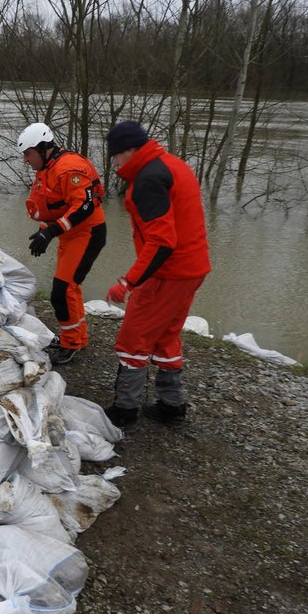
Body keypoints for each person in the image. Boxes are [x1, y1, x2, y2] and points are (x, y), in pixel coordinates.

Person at [101, 120, 211, 427]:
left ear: (129, 150)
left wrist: (127, 282)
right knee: (166, 335)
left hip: (169, 273)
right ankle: (172, 406)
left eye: (116, 155)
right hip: (194, 268)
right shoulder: (173, 165)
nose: (115, 162)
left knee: (134, 337)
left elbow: (162, 241)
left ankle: (125, 410)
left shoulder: (149, 179)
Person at [18, 122, 107, 365]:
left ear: (44, 148)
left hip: (88, 233)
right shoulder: (48, 168)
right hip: (71, 234)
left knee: (62, 291)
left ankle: (71, 344)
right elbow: (58, 207)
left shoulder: (68, 169)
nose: (26, 160)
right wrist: (45, 231)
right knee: (69, 287)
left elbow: (85, 206)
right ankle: (77, 337)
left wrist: (52, 231)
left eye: (28, 153)